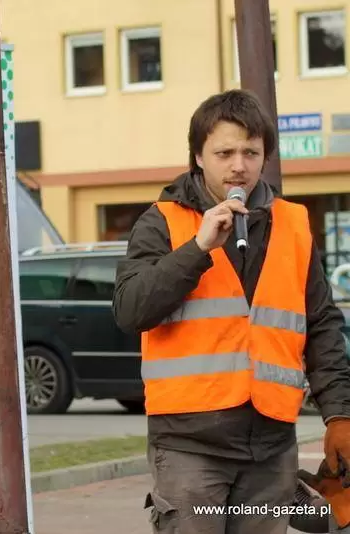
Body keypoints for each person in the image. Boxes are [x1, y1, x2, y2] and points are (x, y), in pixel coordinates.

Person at [112, 88, 350, 534]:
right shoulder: (162, 221)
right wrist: (198, 248)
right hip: (189, 445)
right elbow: (130, 310)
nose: (239, 166)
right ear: (198, 157)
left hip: (271, 445)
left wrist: (339, 416)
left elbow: (321, 326)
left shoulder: (293, 224)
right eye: (224, 153)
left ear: (265, 157)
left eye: (250, 153)